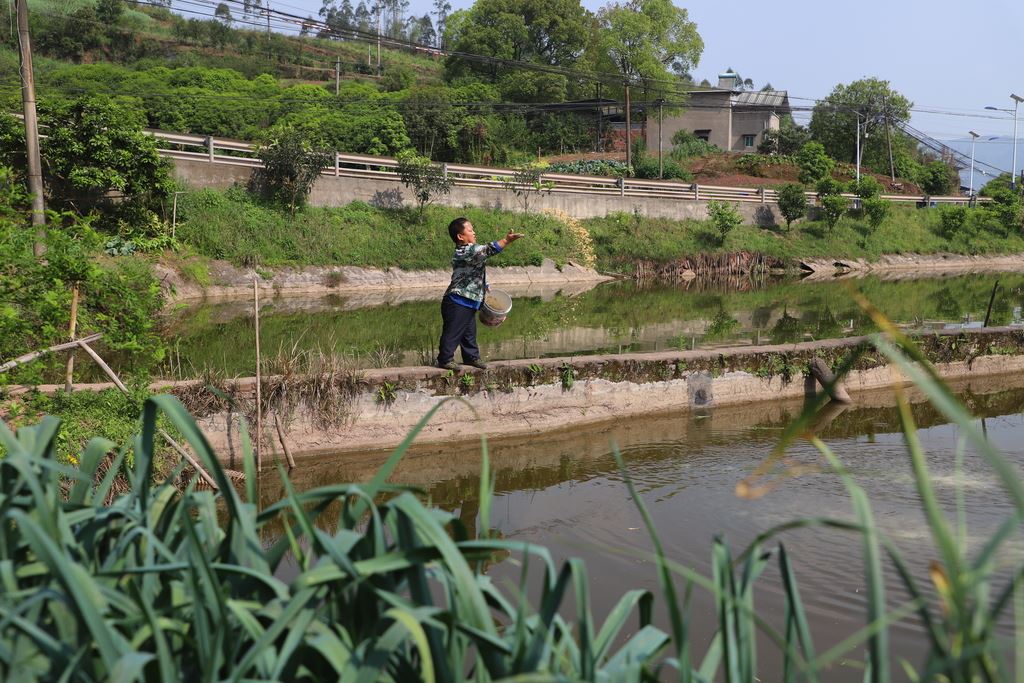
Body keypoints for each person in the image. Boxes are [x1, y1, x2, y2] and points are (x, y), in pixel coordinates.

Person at [437, 217, 523, 370]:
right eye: (470, 230)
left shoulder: (472, 252)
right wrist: (506, 240)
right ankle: (445, 359)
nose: (474, 232)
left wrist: (485, 286)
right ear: (460, 236)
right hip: (458, 300)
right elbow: (489, 249)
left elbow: (472, 273)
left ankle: (472, 357)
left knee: (469, 333)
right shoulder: (465, 250)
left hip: (469, 301)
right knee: (453, 331)